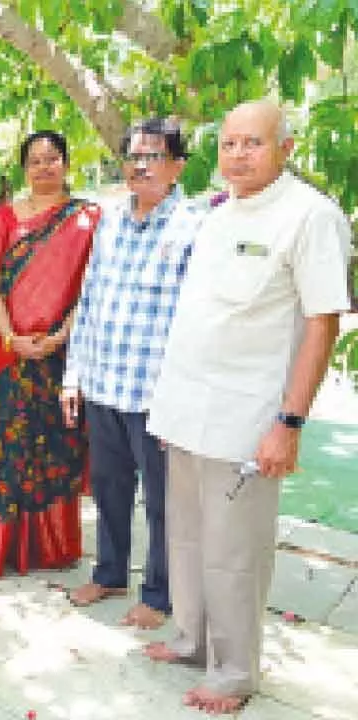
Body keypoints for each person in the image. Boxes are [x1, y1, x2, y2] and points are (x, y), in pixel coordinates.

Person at [143, 101, 351, 714]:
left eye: (252, 143)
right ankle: (191, 638)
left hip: (247, 418)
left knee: (235, 551)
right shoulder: (218, 212)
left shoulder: (311, 216)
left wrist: (289, 424)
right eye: (230, 143)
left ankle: (234, 672)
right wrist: (167, 406)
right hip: (184, 408)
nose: (237, 154)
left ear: (284, 148)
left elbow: (322, 322)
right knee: (185, 537)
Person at [61, 118, 207, 630]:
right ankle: (110, 573)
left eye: (154, 156)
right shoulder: (109, 221)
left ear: (177, 166)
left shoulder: (193, 226)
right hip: (104, 383)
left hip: (157, 395)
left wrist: (184, 396)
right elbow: (90, 298)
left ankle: (160, 593)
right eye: (133, 156)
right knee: (108, 487)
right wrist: (73, 375)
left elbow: (199, 320)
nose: (141, 166)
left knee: (164, 502)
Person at [0, 130, 101, 578]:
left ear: (66, 163)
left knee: (55, 444)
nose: (45, 168)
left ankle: (51, 546)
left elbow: (94, 286)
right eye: (36, 161)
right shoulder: (4, 218)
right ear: (25, 169)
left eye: (53, 158)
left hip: (63, 353)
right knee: (5, 446)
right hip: (9, 353)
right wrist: (10, 336)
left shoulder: (87, 218)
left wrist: (61, 334)